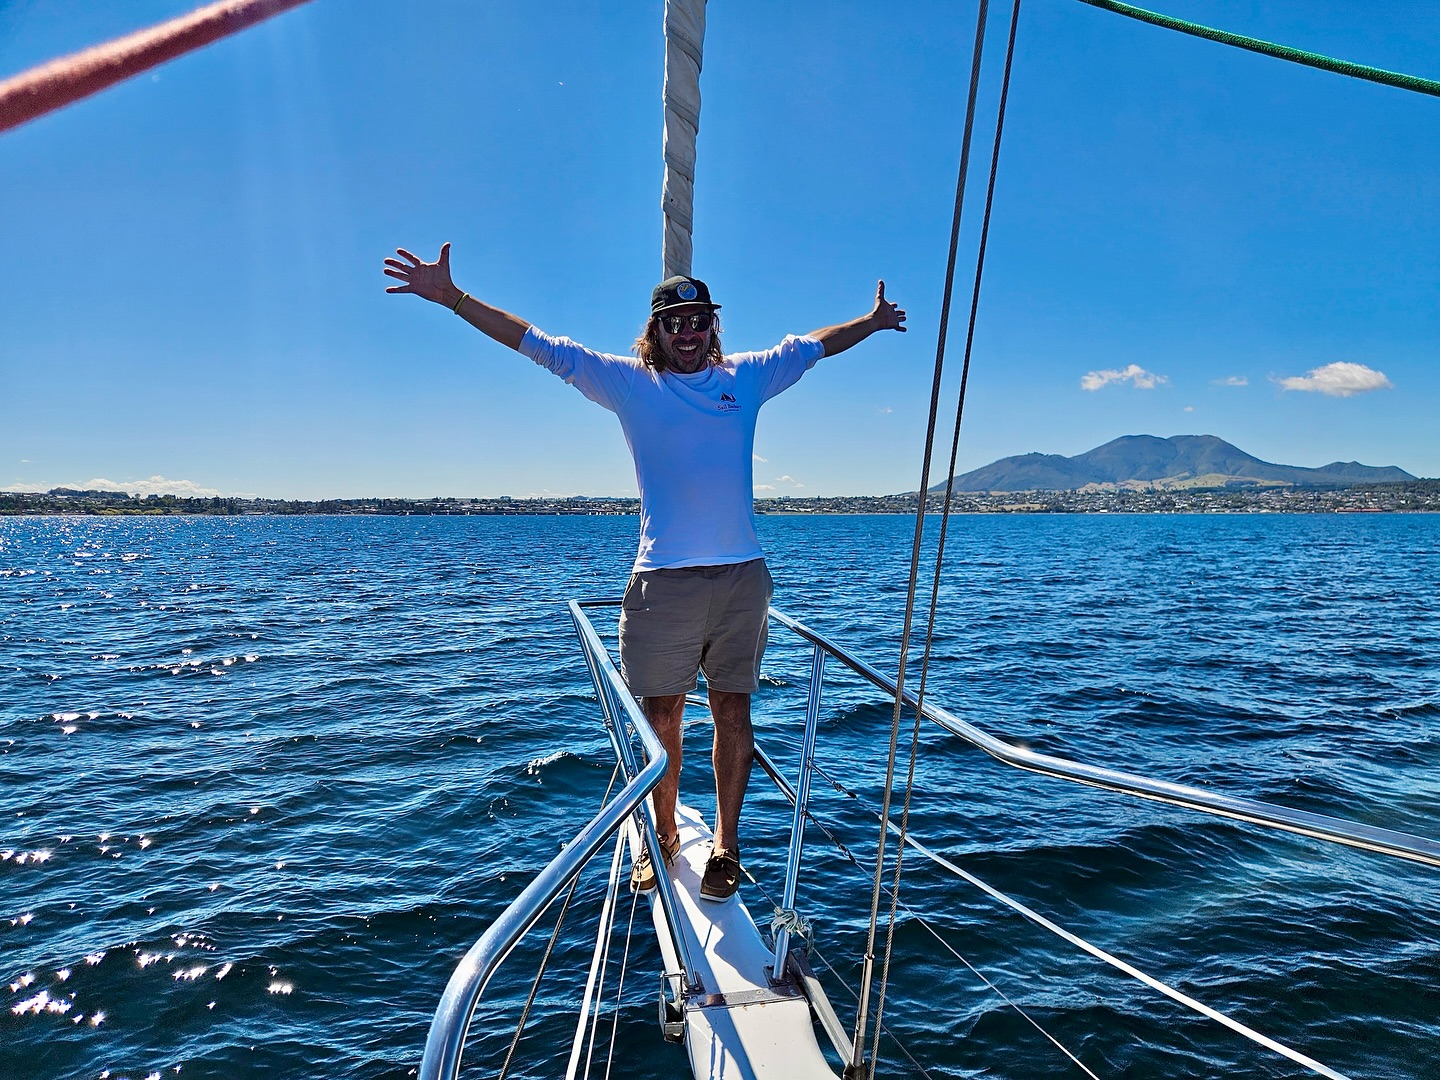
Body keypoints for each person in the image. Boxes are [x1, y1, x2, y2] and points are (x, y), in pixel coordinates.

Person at [384, 243, 905, 901]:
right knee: (661, 715)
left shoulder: (743, 378)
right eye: (673, 323)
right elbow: (539, 345)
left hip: (742, 579)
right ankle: (662, 835)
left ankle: (726, 845)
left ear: (712, 325)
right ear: (655, 331)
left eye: (698, 321)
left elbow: (814, 346)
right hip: (665, 582)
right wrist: (454, 298)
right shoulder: (631, 383)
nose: (687, 333)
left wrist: (872, 319)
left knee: (732, 711)